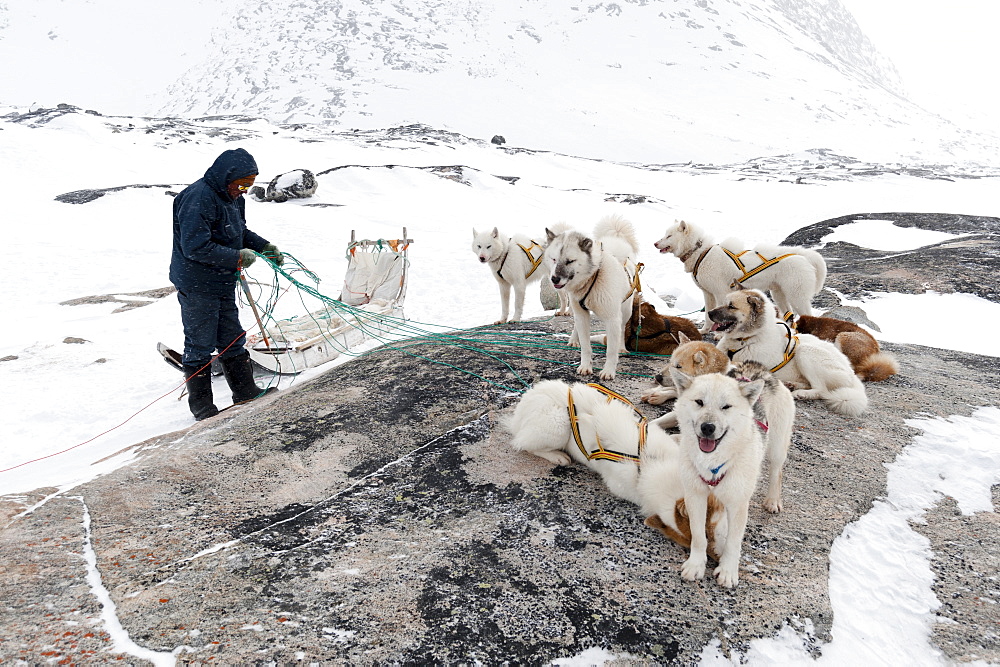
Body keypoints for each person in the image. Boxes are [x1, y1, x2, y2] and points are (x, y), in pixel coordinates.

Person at [169, 148, 284, 420]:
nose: (244, 190)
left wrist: (263, 246)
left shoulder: (233, 198)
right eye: (241, 184)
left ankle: (245, 391)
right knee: (199, 344)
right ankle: (202, 407)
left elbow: (239, 231)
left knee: (232, 337)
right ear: (226, 177)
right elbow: (194, 247)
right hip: (197, 283)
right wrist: (236, 257)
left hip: (222, 280)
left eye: (250, 186)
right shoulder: (197, 199)